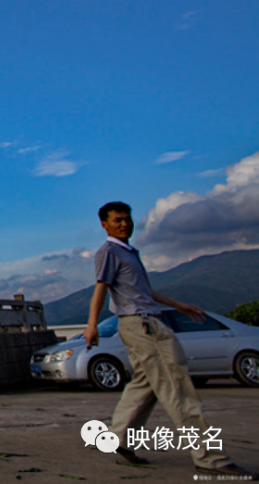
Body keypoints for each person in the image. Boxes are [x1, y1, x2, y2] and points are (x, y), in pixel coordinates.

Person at [84, 202, 256, 479]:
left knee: (146, 384)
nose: (125, 224)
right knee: (177, 388)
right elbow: (101, 288)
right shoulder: (109, 252)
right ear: (104, 224)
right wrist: (91, 325)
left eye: (127, 219)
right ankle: (209, 459)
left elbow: (143, 291)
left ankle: (118, 440)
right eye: (117, 220)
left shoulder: (129, 252)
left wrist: (179, 305)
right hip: (141, 325)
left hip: (147, 321)